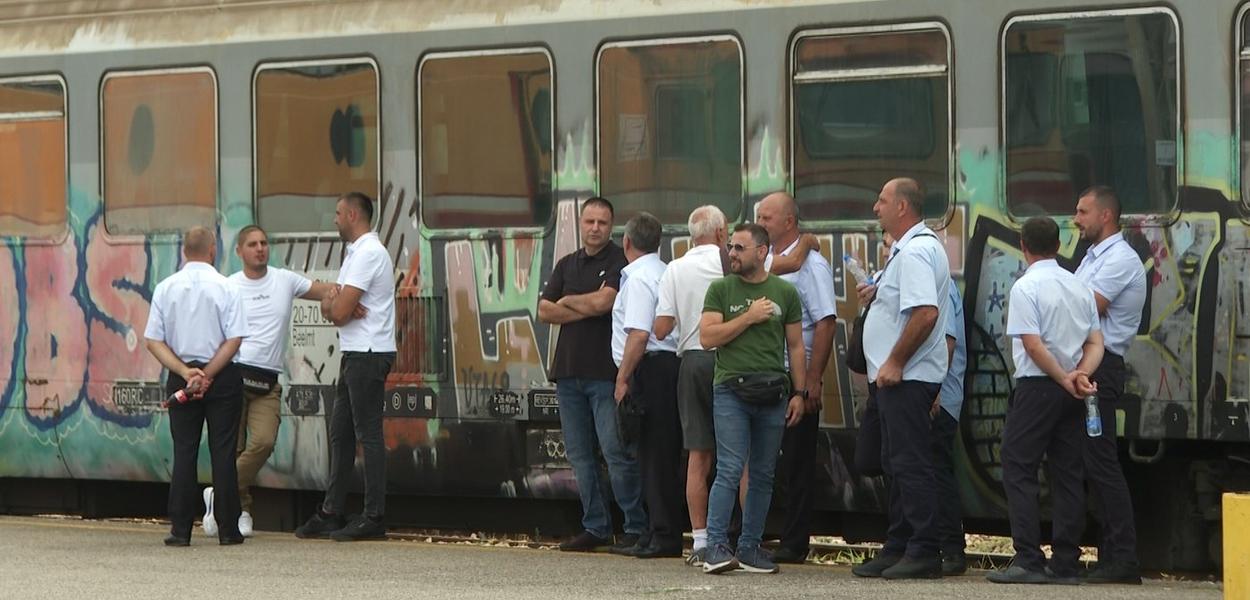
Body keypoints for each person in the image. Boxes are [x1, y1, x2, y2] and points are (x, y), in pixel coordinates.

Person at [199, 225, 355, 538]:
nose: (260, 248)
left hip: (267, 381)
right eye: (253, 244)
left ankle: (218, 493)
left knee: (264, 442)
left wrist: (352, 291)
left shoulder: (284, 279)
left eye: (264, 243)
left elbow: (323, 290)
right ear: (240, 251)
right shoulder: (228, 286)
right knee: (233, 447)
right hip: (233, 375)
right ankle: (240, 509)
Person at [988, 216, 1103, 585]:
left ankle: (1028, 559)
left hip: (1039, 387)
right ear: (1057, 245)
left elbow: (1032, 345)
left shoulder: (1026, 287)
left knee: (1017, 464)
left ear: (1023, 245)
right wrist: (1079, 375)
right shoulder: (1079, 286)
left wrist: (1062, 377)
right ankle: (1066, 562)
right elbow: (1096, 343)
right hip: (1072, 390)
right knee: (1067, 472)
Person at [851, 177, 950, 580]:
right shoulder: (908, 251)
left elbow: (924, 313)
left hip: (905, 377)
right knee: (894, 463)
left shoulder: (915, 252)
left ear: (903, 208)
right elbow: (906, 307)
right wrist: (880, 296)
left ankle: (924, 549)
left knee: (910, 464)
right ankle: (899, 545)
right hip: (896, 378)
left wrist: (893, 362)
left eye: (882, 200)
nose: (876, 208)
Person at [537, 196, 646, 552]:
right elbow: (544, 311)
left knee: (615, 452)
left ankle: (635, 527)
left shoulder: (619, 261)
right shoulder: (567, 263)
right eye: (589, 222)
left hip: (605, 374)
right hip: (567, 374)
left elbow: (606, 303)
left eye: (602, 222)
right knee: (580, 455)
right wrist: (585, 304)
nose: (595, 228)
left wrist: (568, 301)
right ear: (580, 224)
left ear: (611, 226)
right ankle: (595, 527)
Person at [699, 223, 806, 575]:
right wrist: (748, 316)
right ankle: (714, 547)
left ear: (762, 252)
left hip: (774, 393)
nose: (732, 253)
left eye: (740, 248)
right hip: (731, 389)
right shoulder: (720, 289)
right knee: (729, 469)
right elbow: (707, 337)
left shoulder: (785, 293)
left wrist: (800, 393)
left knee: (763, 474)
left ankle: (749, 548)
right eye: (731, 247)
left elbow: (796, 346)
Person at [294, 191, 396, 542]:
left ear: (353, 214)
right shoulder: (355, 254)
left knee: (368, 435)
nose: (335, 219)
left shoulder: (368, 253)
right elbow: (332, 306)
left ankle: (374, 516)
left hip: (368, 352)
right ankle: (332, 511)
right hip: (355, 352)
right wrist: (335, 302)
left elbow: (336, 312)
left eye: (338, 213)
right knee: (341, 433)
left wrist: (338, 304)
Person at [144, 226, 247, 547]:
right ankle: (229, 530)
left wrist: (187, 373)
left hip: (181, 376)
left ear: (184, 251)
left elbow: (153, 341)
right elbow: (234, 339)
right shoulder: (227, 287)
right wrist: (209, 373)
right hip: (224, 377)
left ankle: (180, 529)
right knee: (224, 451)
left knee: (184, 452)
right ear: (213, 250)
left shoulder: (165, 288)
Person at [755, 192, 836, 565]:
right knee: (771, 458)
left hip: (796, 373)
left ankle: (795, 540)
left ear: (789, 221)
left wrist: (812, 380)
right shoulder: (771, 260)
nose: (760, 223)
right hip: (769, 371)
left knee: (798, 459)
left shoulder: (812, 266)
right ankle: (774, 532)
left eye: (767, 217)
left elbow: (825, 322)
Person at [1072, 185, 1146, 585]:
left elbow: (1087, 306)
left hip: (1102, 368)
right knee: (1090, 461)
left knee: (1101, 462)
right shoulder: (1091, 257)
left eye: (1083, 212)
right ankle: (1108, 556)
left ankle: (1123, 559)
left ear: (1105, 216)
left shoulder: (1119, 259)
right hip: (1088, 365)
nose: (1076, 219)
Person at [654, 205, 729, 567]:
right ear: (720, 233)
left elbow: (662, 327)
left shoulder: (674, 267)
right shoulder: (731, 261)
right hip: (730, 360)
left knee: (698, 456)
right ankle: (737, 539)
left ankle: (700, 540)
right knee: (738, 456)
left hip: (693, 362)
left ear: (691, 235)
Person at [610, 212, 681, 558]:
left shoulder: (637, 279)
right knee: (659, 452)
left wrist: (623, 378)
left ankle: (663, 535)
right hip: (666, 368)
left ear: (626, 242)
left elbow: (639, 334)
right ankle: (655, 531)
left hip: (650, 368)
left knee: (654, 455)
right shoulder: (664, 271)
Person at [933, 278, 968, 575]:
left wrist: (933, 390)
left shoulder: (937, 283)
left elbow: (947, 341)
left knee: (936, 470)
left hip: (939, 398)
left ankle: (951, 549)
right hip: (936, 395)